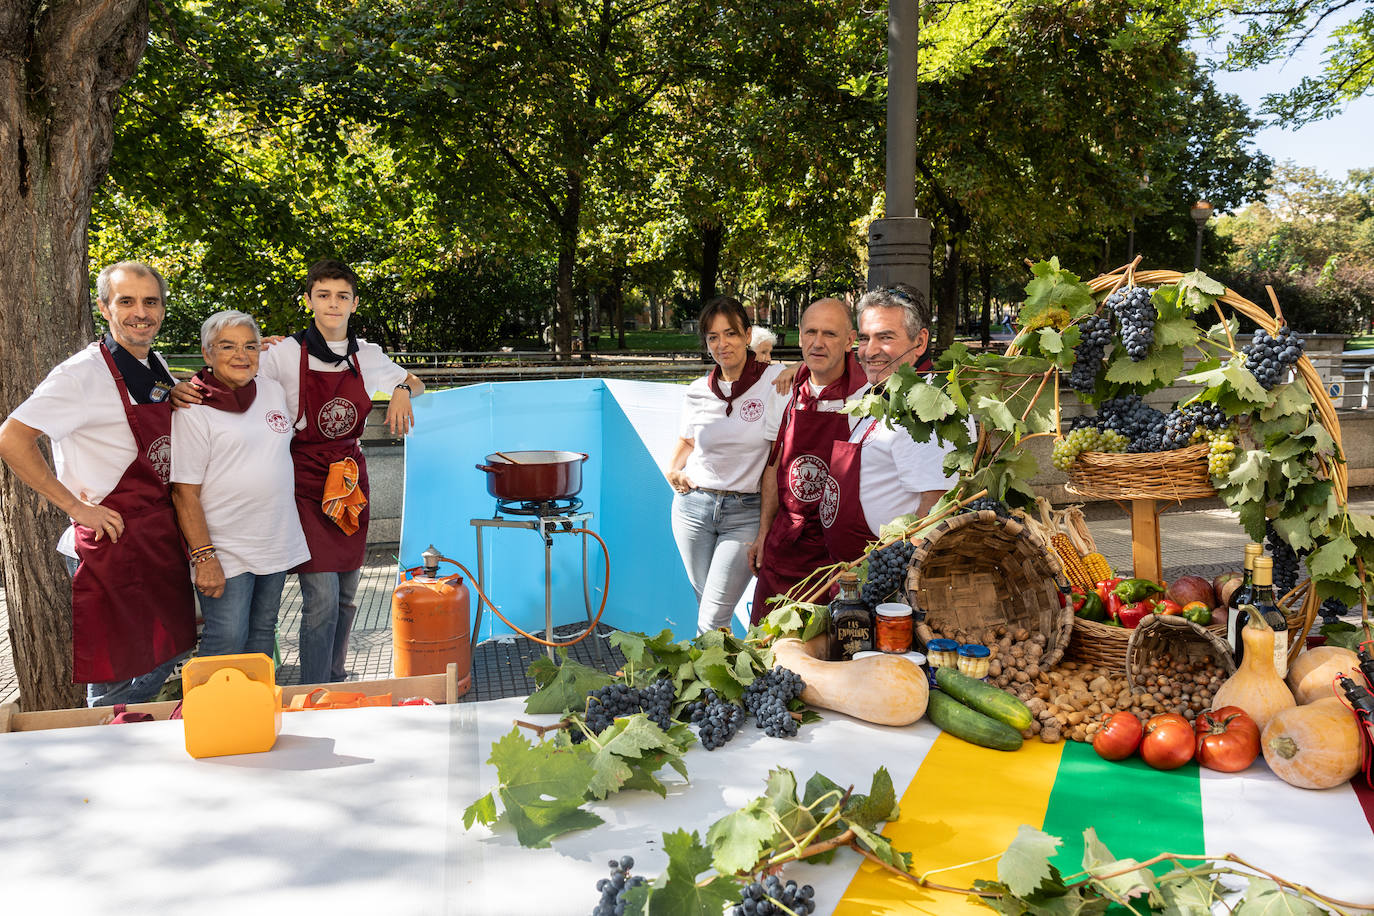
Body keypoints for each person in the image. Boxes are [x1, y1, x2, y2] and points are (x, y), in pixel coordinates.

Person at [0, 261, 195, 705]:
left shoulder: (153, 363)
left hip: (154, 536)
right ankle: (109, 730)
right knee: (118, 671)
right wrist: (77, 508)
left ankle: (122, 724)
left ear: (163, 309)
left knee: (168, 649)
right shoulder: (81, 374)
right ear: (105, 308)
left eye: (150, 302)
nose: (140, 312)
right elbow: (12, 438)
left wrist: (179, 389)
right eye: (126, 301)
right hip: (109, 542)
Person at [170, 311, 310, 659]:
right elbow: (184, 492)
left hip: (274, 538)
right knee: (228, 636)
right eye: (227, 346)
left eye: (250, 346)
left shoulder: (272, 390)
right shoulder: (193, 407)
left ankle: (254, 709)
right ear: (207, 354)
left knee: (264, 630)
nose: (241, 355)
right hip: (224, 546)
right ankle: (205, 712)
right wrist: (204, 557)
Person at [667, 297, 787, 632]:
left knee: (712, 616)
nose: (723, 344)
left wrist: (764, 529)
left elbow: (814, 371)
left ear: (748, 335)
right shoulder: (696, 391)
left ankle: (706, 683)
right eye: (713, 337)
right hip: (692, 510)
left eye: (731, 333)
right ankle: (727, 680)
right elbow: (688, 442)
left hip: (745, 512)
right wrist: (672, 470)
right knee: (707, 609)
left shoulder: (775, 380)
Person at [747, 299, 867, 622]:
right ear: (799, 337)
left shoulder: (866, 396)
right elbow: (774, 466)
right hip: (785, 546)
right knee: (764, 650)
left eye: (829, 333)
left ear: (849, 340)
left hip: (836, 556)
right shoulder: (784, 391)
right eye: (811, 332)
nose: (818, 342)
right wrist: (763, 534)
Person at [819, 285, 957, 564]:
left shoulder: (928, 408)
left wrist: (894, 576)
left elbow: (936, 511)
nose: (870, 351)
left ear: (919, 342)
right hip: (849, 571)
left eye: (885, 337)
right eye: (865, 338)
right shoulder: (884, 393)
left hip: (885, 584)